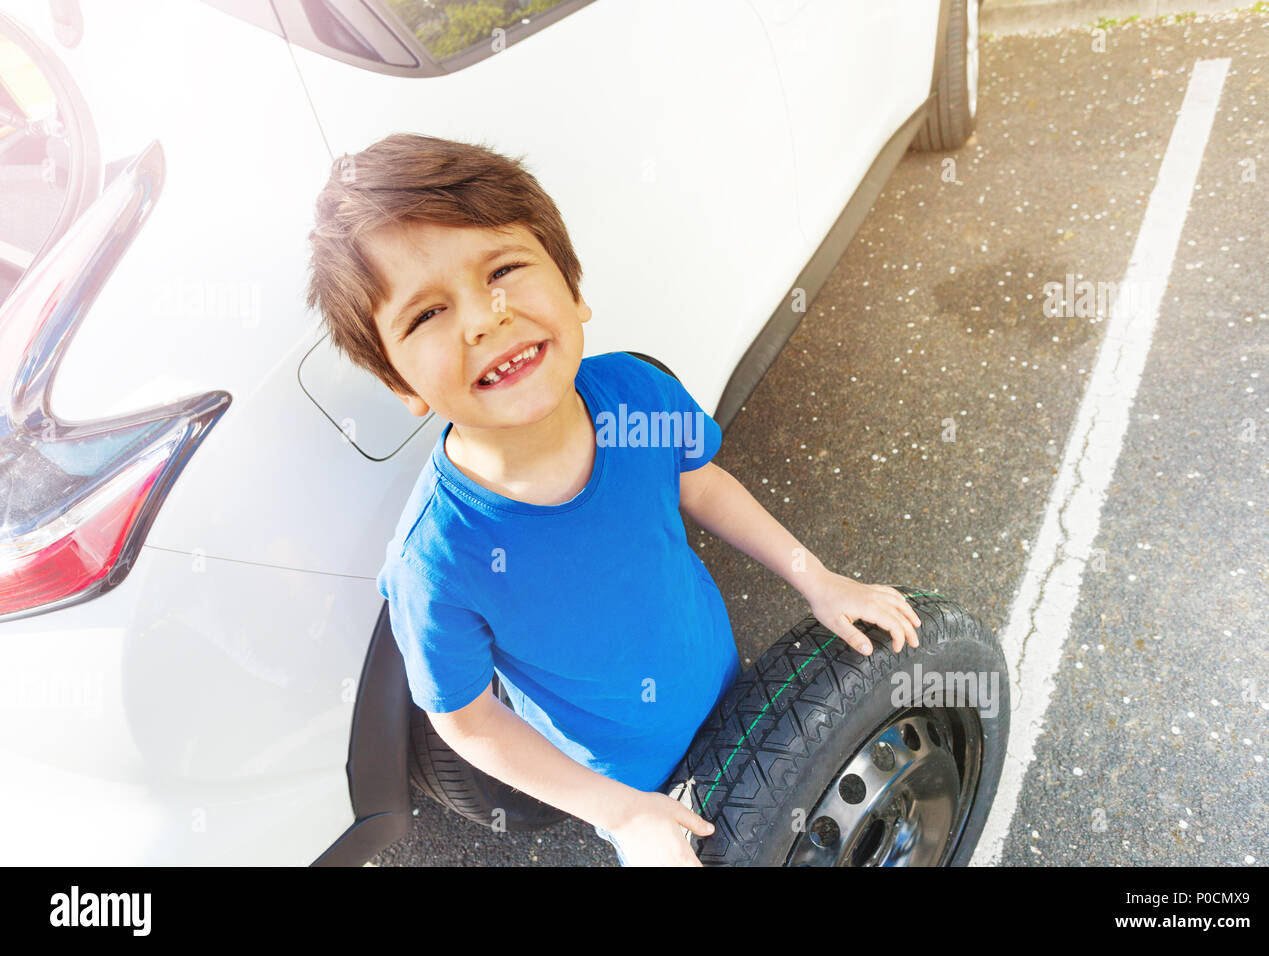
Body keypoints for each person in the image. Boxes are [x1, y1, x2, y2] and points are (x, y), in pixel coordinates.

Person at [304, 133, 921, 866]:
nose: (482, 317)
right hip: (634, 787)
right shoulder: (435, 562)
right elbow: (464, 721)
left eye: (502, 269)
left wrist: (817, 579)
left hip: (736, 690)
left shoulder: (634, 393)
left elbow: (700, 483)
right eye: (426, 315)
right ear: (401, 384)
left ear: (573, 288)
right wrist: (621, 814)